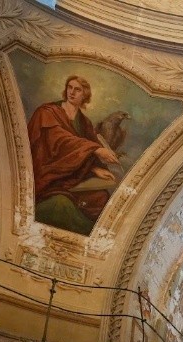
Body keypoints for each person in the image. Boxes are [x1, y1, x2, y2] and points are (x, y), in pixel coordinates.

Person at [27, 75, 121, 235]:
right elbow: (60, 140)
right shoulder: (47, 112)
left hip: (71, 177)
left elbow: (79, 156)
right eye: (69, 87)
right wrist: (95, 149)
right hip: (49, 177)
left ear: (85, 95)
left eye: (77, 89)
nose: (72, 92)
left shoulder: (84, 123)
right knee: (61, 204)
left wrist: (94, 169)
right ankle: (90, 235)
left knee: (101, 198)